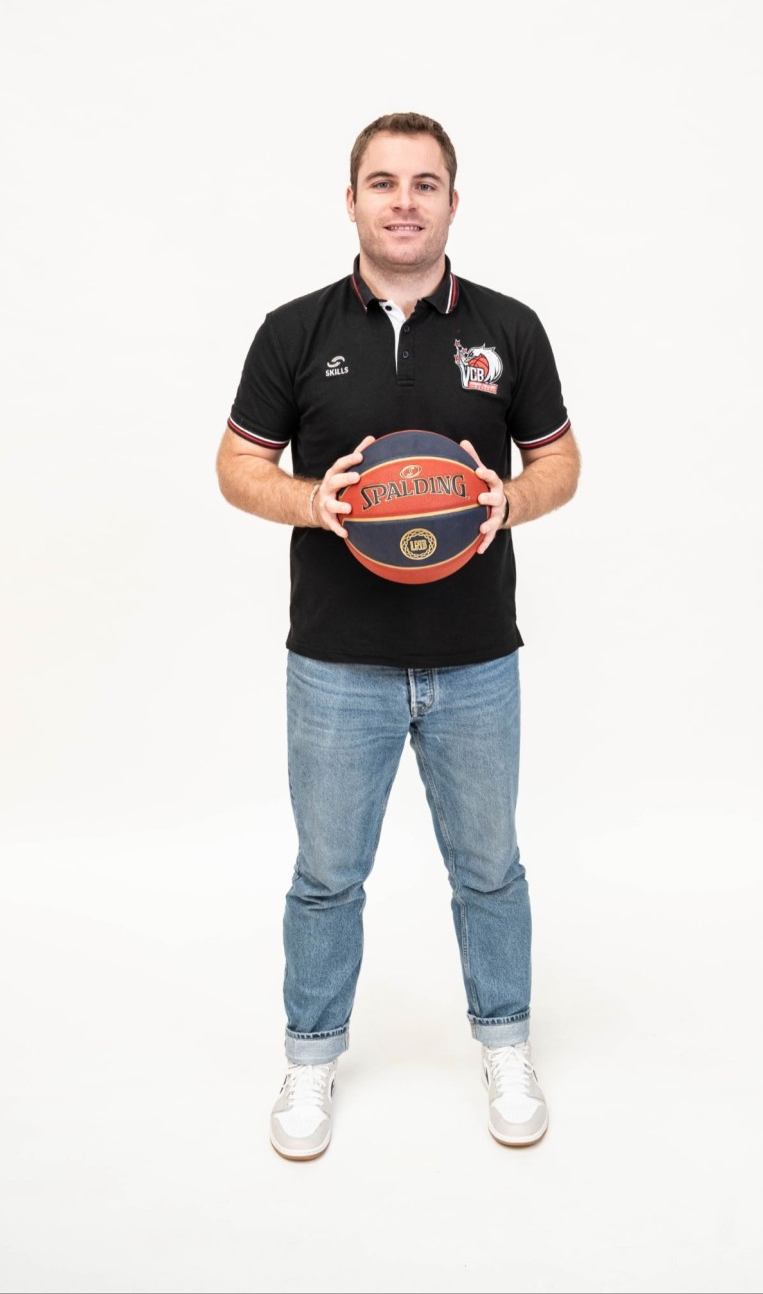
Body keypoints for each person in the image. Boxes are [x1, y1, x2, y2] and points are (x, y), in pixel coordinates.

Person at [216, 111, 580, 1160]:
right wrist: (313, 501)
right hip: (336, 662)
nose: (404, 201)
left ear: (452, 203)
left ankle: (504, 1046)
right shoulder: (294, 330)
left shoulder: (508, 328)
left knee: (489, 868)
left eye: (425, 184)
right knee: (327, 874)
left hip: (477, 656)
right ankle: (311, 1057)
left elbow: (559, 463)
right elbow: (236, 466)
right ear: (351, 202)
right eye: (383, 182)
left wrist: (509, 499)